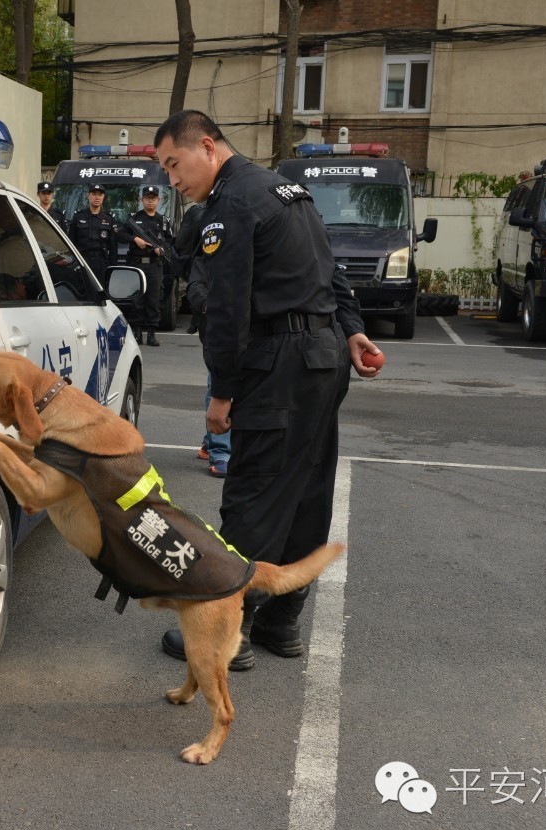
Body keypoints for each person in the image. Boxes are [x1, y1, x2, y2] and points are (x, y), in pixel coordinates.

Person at [153, 109, 381, 671]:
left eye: (174, 164)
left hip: (278, 363)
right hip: (324, 359)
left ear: (208, 146)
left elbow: (228, 310)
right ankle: (283, 623)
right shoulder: (288, 188)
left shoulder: (230, 205)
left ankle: (233, 630)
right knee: (306, 489)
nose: (172, 181)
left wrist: (222, 393)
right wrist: (351, 329)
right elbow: (333, 273)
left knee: (254, 494)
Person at [174, 202, 231, 478]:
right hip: (216, 328)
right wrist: (211, 307)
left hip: (242, 328)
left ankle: (210, 443)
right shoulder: (208, 251)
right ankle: (221, 451)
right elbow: (196, 285)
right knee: (218, 383)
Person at [119, 184, 173, 346]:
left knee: (153, 299)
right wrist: (135, 239)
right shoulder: (134, 219)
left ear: (159, 200)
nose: (150, 201)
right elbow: (121, 233)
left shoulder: (163, 221)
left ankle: (151, 333)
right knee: (137, 299)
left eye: (154, 198)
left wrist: (161, 249)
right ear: (142, 200)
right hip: (137, 265)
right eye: (147, 198)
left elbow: (170, 241)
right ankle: (136, 332)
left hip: (155, 266)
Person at [68, 183, 118, 287]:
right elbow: (71, 242)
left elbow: (113, 246)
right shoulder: (78, 217)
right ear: (88, 195)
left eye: (100, 195)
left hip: (102, 262)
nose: (97, 197)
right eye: (94, 194)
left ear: (103, 197)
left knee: (101, 292)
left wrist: (113, 266)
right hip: (83, 261)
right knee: (83, 290)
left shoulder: (109, 219)